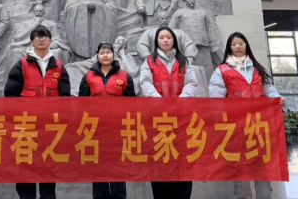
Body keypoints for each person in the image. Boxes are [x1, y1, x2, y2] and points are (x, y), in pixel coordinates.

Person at [209, 32, 285, 199]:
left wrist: (277, 97)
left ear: (246, 45)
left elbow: (268, 89)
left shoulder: (257, 68)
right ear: (229, 47)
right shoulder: (221, 71)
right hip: (235, 127)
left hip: (259, 125)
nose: (238, 46)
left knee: (262, 166)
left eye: (241, 43)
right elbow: (216, 100)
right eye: (234, 44)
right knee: (239, 167)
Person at [4, 25, 71, 199]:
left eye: (44, 36)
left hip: (50, 126)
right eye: (37, 37)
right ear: (32, 41)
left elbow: (65, 97)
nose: (41, 39)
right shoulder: (22, 65)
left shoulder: (58, 67)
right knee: (25, 165)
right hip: (26, 125)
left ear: (50, 40)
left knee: (48, 163)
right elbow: (10, 94)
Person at [140, 26, 197, 199]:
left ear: (174, 40)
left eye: (168, 37)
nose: (165, 40)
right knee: (160, 156)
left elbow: (191, 83)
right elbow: (145, 82)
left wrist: (181, 100)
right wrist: (160, 102)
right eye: (162, 37)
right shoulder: (149, 61)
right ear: (156, 40)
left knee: (183, 157)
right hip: (158, 117)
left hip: (181, 116)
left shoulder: (183, 61)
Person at [78, 42, 135, 199]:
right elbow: (81, 103)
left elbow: (132, 104)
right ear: (97, 56)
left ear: (113, 55)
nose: (105, 55)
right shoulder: (88, 76)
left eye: (108, 52)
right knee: (98, 167)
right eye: (102, 52)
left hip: (118, 129)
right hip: (96, 130)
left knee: (117, 167)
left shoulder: (124, 76)